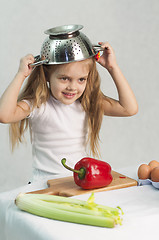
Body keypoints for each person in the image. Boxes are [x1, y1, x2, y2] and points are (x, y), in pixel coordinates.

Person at [0, 39, 138, 182]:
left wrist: (112, 67)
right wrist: (20, 75)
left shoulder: (86, 102)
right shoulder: (38, 104)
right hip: (44, 181)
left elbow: (129, 109)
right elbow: (4, 115)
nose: (72, 87)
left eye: (81, 79)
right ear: (47, 75)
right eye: (64, 78)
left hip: (78, 180)